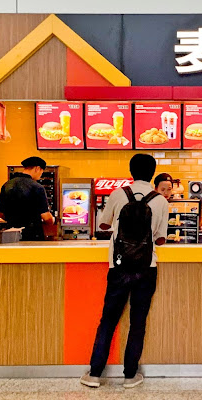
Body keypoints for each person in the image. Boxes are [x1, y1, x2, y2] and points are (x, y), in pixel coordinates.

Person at [80, 154, 168, 389]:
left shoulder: (118, 194)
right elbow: (160, 239)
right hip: (146, 267)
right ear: (153, 173)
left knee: (108, 320)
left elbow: (103, 224)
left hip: (118, 266)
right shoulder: (160, 200)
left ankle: (94, 374)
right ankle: (130, 375)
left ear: (131, 171)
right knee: (137, 322)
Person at [0, 156, 55, 241]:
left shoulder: (7, 185)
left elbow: (1, 214)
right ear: (37, 168)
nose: (40, 175)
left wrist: (14, 220)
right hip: (32, 235)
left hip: (11, 235)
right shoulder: (37, 187)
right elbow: (46, 217)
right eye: (42, 172)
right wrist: (51, 221)